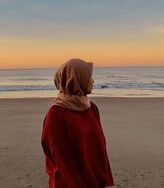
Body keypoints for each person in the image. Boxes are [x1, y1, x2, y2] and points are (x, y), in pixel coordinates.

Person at [41, 58, 114, 188]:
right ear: (75, 79)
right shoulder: (56, 113)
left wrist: (104, 179)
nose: (92, 81)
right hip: (69, 183)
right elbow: (62, 158)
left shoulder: (92, 108)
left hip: (94, 180)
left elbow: (100, 148)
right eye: (88, 77)